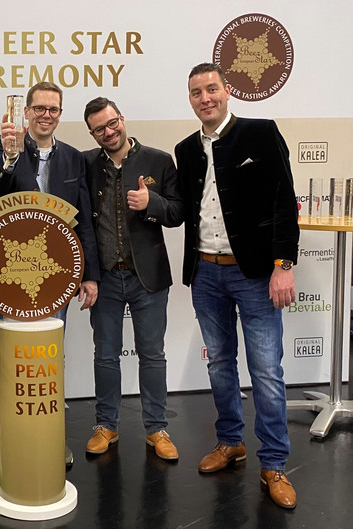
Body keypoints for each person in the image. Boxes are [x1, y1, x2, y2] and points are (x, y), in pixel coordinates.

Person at [175, 63, 299, 509]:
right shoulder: (185, 149)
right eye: (196, 92)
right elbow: (185, 209)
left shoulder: (261, 133)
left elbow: (284, 201)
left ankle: (274, 463)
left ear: (227, 91)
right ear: (190, 99)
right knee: (220, 365)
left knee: (266, 370)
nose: (205, 98)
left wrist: (284, 265)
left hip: (257, 274)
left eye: (211, 89)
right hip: (205, 273)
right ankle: (230, 442)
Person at [0, 81, 101, 468]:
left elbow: (83, 219)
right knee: (3, 356)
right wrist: (9, 156)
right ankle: (3, 435)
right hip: (10, 271)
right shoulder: (5, 145)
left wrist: (89, 275)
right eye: (39, 108)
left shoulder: (73, 157)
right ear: (27, 112)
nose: (46, 115)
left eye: (53, 109)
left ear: (60, 114)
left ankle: (51, 436)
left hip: (55, 275)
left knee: (49, 357)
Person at [82, 97, 183, 460]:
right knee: (106, 355)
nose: (108, 132)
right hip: (105, 278)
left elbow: (177, 213)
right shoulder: (86, 164)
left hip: (148, 277)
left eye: (112, 123)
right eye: (99, 129)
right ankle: (105, 425)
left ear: (122, 119)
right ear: (92, 134)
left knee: (152, 354)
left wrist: (151, 203)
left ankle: (156, 429)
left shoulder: (159, 160)